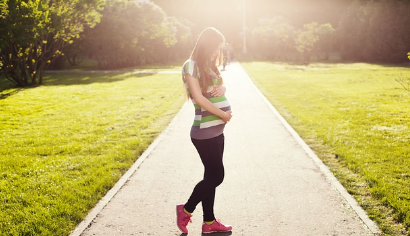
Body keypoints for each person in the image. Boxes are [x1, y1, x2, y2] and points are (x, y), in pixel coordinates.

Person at [176, 27, 233, 234]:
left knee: (210, 176)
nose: (218, 53)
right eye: (215, 48)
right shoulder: (190, 66)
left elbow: (217, 86)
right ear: (207, 45)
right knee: (217, 176)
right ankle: (186, 209)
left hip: (217, 131)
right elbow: (198, 98)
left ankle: (209, 223)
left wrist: (223, 89)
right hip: (204, 132)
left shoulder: (209, 65)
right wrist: (223, 114)